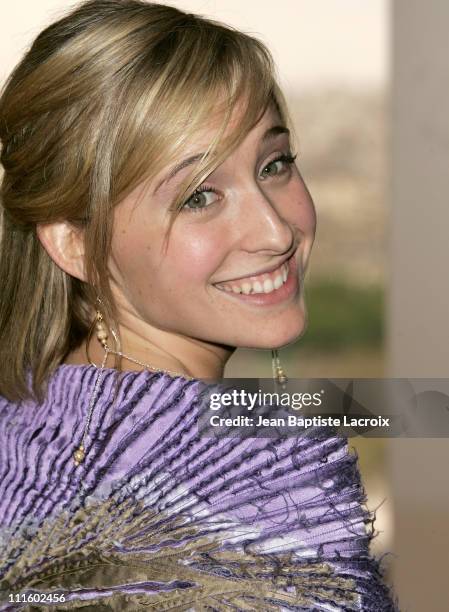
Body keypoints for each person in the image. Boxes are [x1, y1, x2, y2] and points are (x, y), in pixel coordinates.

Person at [0, 1, 398, 609]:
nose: (275, 231)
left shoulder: (22, 426)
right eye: (199, 197)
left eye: (275, 164)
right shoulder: (266, 479)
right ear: (74, 243)